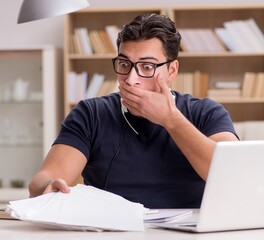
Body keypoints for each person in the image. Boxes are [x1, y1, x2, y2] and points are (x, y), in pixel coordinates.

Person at [29, 13, 238, 208]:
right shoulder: (90, 113)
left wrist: (171, 120)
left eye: (147, 67)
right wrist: (47, 186)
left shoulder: (206, 112)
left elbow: (232, 175)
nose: (131, 79)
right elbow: (45, 177)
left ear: (171, 70)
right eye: (124, 64)